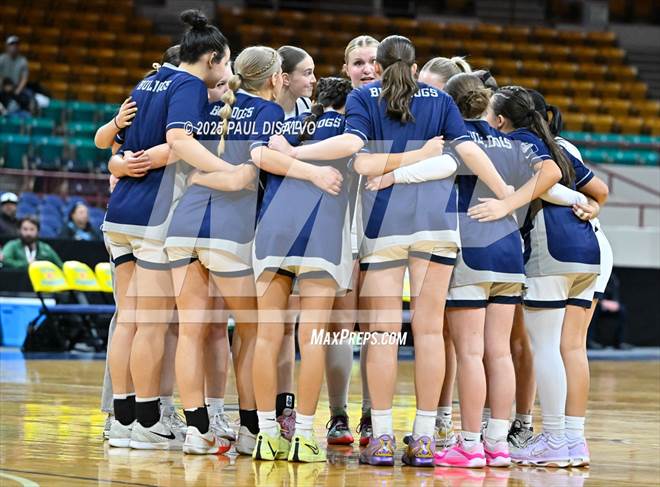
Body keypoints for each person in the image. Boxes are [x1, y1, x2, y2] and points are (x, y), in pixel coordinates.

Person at [102, 9, 234, 454]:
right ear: (212, 59)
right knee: (152, 325)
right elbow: (179, 140)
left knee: (129, 320)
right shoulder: (188, 86)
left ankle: (122, 421)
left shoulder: (148, 82)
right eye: (225, 61)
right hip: (154, 216)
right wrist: (228, 171)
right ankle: (147, 421)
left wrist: (122, 162)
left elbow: (116, 143)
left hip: (119, 213)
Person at [471, 85, 601, 468]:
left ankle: (556, 438)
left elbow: (549, 176)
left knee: (545, 346)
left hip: (551, 246)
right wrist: (584, 201)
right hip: (588, 248)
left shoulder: (518, 142)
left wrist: (508, 204)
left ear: (499, 120)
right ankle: (573, 441)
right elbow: (600, 190)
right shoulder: (557, 144)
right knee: (570, 348)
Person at [252, 76, 353, 463]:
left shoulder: (285, 126)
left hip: (272, 232)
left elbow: (259, 160)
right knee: (311, 339)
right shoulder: (349, 128)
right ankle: (306, 436)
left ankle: (266, 434)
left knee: (267, 337)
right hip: (320, 232)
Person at [0, 36, 31, 112]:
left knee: (28, 97)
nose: (14, 47)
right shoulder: (2, 59)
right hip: (3, 87)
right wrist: (3, 86)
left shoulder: (23, 60)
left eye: (16, 45)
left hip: (16, 88)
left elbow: (24, 78)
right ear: (7, 46)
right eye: (12, 44)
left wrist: (17, 91)